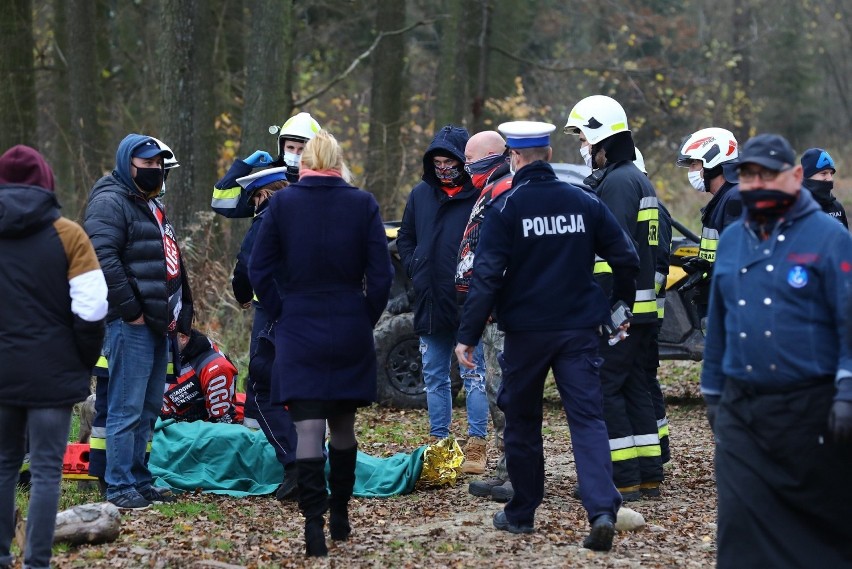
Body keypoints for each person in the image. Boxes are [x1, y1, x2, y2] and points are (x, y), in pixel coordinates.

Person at [455, 121, 640, 551]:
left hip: (525, 334)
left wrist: (467, 334)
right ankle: (600, 511)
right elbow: (625, 256)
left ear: (514, 158)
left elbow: (486, 276)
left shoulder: (505, 208)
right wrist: (618, 304)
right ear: (550, 154)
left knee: (522, 422)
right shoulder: (584, 201)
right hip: (577, 330)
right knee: (588, 420)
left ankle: (521, 513)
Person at [701, 133, 852, 568]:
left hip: (811, 411)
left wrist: (846, 391)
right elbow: (720, 324)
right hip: (743, 414)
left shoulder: (829, 238)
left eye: (769, 174)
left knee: (819, 536)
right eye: (749, 176)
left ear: (796, 176)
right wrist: (712, 391)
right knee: (740, 531)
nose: (757, 184)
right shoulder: (732, 241)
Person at [248, 130, 393, 557]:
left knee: (307, 429)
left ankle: (314, 526)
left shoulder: (283, 204)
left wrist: (280, 310)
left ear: (304, 163)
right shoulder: (362, 204)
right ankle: (342, 514)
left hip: (298, 324)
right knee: (343, 426)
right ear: (338, 162)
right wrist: (363, 314)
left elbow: (259, 268)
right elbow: (381, 275)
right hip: (349, 323)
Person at [0, 145, 108, 569]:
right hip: (52, 375)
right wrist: (82, 360)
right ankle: (38, 562)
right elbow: (93, 308)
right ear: (46, 182)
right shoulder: (68, 235)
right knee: (46, 472)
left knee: (3, 466)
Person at [84, 135, 194, 510]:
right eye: (145, 166)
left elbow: (171, 263)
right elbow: (101, 258)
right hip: (129, 325)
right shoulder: (110, 202)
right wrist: (131, 310)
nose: (154, 172)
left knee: (148, 408)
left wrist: (184, 314)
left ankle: (139, 478)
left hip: (158, 325)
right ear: (126, 164)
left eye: (158, 167)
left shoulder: (151, 205)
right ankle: (118, 484)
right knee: (125, 407)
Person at [565, 95, 664, 500]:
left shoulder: (620, 183)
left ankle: (621, 478)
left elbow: (612, 254)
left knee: (606, 389)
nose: (583, 149)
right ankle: (647, 475)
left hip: (622, 310)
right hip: (642, 310)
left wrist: (605, 308)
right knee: (634, 387)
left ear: (603, 138)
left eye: (585, 140)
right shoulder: (634, 179)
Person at [396, 125, 489, 471]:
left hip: (469, 301)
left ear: (463, 161)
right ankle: (440, 442)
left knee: (475, 375)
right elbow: (405, 238)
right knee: (434, 375)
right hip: (430, 299)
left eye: (449, 161)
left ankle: (477, 443)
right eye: (437, 161)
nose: (443, 167)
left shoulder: (480, 194)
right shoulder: (420, 195)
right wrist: (415, 265)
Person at [231, 166, 299, 500]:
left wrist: (242, 293)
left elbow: (247, 264)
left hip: (278, 315)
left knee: (261, 390)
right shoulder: (309, 211)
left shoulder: (269, 217)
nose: (255, 205)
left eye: (255, 198)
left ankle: (295, 464)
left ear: (264, 195)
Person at [455, 131, 516, 497]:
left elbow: (494, 260)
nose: (466, 168)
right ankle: (508, 466)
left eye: (470, 160)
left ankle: (515, 472)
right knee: (497, 392)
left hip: (503, 313)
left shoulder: (504, 190)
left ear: (491, 156)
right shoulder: (490, 189)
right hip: (491, 313)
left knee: (506, 394)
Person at [675, 127, 742, 317]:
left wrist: (713, 272)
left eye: (695, 163)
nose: (691, 171)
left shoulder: (735, 199)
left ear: (713, 161)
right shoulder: (723, 199)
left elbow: (739, 260)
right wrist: (705, 269)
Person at [635, 148, 674, 466]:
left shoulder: (653, 210)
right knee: (645, 379)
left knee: (644, 380)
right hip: (644, 311)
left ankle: (659, 451)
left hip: (645, 314)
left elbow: (658, 263)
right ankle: (658, 449)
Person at [212, 112, 321, 218]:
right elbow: (221, 202)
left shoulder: (324, 185)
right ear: (282, 148)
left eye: (302, 149)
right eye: (290, 148)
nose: (295, 154)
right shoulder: (270, 184)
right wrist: (243, 166)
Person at [161, 329, 239, 423]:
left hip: (187, 429)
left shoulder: (215, 368)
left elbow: (222, 424)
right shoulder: (172, 352)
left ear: (183, 337)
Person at [800, 147, 848, 228]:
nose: (830, 178)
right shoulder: (796, 209)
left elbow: (845, 239)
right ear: (808, 176)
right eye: (823, 173)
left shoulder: (837, 208)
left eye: (831, 173)